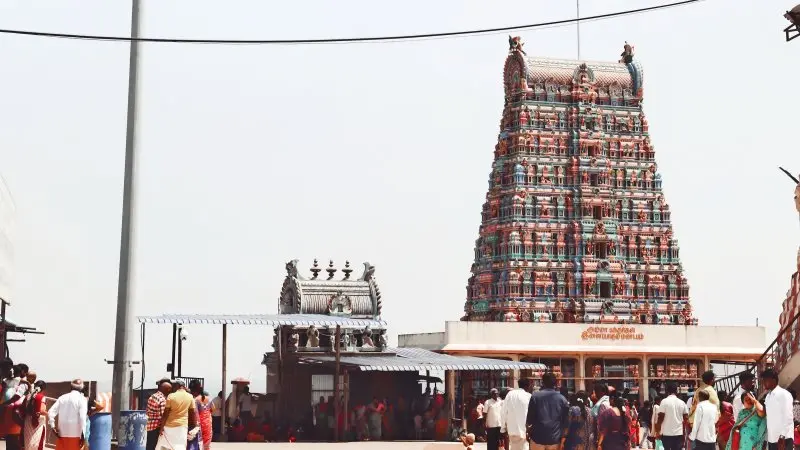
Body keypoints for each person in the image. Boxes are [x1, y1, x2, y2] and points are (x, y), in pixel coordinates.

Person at [527, 372, 569, 450]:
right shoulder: (562, 399)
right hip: (555, 439)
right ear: (556, 383)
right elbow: (565, 422)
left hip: (537, 438)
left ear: (543, 382)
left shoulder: (535, 396)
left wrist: (528, 432)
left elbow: (530, 419)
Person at [48, 379, 88, 450]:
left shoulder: (62, 397)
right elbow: (82, 417)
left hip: (62, 433)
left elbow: (51, 411)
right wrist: (83, 434)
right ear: (82, 388)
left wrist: (53, 426)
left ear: (71, 387)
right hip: (75, 434)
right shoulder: (82, 399)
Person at [157, 379, 197, 450]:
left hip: (169, 427)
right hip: (182, 427)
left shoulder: (171, 396)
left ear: (178, 385)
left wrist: (161, 428)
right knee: (180, 446)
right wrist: (194, 426)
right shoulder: (190, 397)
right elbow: (193, 413)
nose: (172, 386)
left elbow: (166, 413)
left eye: (174, 385)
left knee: (165, 447)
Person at [762, 368, 794, 450]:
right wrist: (766, 439)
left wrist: (782, 436)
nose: (763, 383)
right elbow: (769, 419)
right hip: (772, 439)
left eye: (765, 380)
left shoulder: (784, 394)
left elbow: (788, 417)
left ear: (773, 380)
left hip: (784, 439)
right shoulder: (768, 397)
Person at [501, 378, 533, 450]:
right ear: (527, 386)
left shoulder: (510, 394)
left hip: (512, 430)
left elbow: (503, 412)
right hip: (524, 431)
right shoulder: (529, 396)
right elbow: (532, 414)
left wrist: (503, 428)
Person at [655, 383, 689, 450]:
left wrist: (657, 432)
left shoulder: (664, 402)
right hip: (679, 434)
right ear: (676, 391)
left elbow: (660, 418)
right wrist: (686, 433)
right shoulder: (682, 403)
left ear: (667, 391)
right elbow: (686, 419)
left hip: (666, 434)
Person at [146, 378, 172, 450]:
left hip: (149, 425)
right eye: (170, 390)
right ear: (167, 390)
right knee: (155, 446)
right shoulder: (162, 400)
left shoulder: (153, 396)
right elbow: (163, 416)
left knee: (149, 446)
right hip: (156, 428)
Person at [23, 380, 47, 450]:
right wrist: (49, 413)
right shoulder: (41, 397)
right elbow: (42, 411)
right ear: (43, 389)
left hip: (27, 421)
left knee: (28, 443)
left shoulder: (28, 396)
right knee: (36, 443)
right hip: (37, 423)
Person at [190, 380, 213, 450]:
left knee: (199, 444)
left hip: (199, 424)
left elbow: (195, 413)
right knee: (207, 444)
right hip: (208, 423)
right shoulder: (209, 399)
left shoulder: (195, 400)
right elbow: (213, 409)